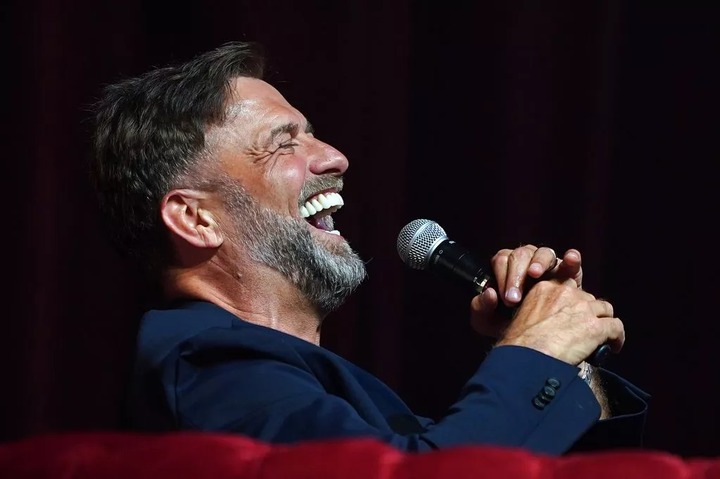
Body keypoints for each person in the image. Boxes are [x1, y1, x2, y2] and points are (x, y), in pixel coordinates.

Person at [89, 41, 649, 456]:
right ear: (195, 218)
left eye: (312, 133)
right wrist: (535, 352)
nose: (334, 156)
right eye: (283, 143)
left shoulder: (304, 382)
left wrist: (566, 353)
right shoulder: (213, 371)